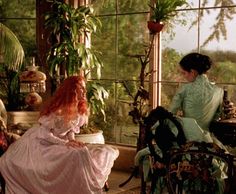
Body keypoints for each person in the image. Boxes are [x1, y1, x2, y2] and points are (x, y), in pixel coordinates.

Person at [0, 76, 119, 194]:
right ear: (72, 90)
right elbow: (45, 135)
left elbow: (70, 130)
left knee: (102, 151)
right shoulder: (58, 111)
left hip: (60, 140)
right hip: (40, 142)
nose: (85, 91)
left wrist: (72, 140)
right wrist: (66, 143)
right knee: (78, 153)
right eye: (81, 88)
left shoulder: (79, 110)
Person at [169, 52, 223, 131]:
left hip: (186, 138)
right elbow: (216, 118)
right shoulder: (219, 91)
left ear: (193, 72)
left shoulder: (184, 89)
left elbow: (170, 115)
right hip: (207, 139)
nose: (184, 76)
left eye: (184, 73)